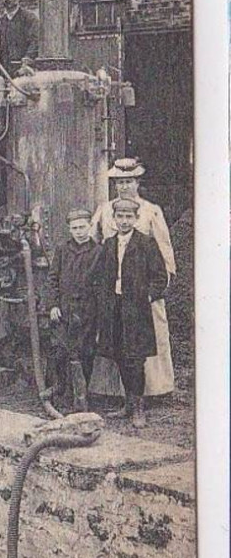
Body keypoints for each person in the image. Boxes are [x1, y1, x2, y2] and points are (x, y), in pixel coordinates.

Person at [91, 157, 175, 396]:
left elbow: (164, 250)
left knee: (145, 339)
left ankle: (151, 391)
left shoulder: (150, 212)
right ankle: (115, 393)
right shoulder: (105, 211)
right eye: (119, 182)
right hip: (115, 290)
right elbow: (95, 247)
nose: (124, 187)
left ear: (137, 182)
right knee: (115, 338)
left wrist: (156, 291)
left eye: (128, 181)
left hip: (142, 291)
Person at [89, 198, 168, 428]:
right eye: (120, 217)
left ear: (135, 219)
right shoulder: (109, 244)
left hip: (136, 310)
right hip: (113, 309)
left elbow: (160, 277)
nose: (124, 221)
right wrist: (102, 297)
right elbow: (98, 275)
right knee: (119, 355)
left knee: (135, 358)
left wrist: (148, 296)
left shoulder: (146, 243)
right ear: (114, 220)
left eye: (128, 217)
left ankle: (139, 408)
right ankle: (127, 404)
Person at [46, 208, 102, 412]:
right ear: (69, 230)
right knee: (61, 351)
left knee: (85, 353)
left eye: (82, 227)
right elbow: (52, 279)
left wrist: (97, 313)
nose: (79, 232)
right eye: (75, 228)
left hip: (87, 311)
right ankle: (60, 389)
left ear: (90, 227)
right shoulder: (62, 249)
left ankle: (80, 397)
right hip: (64, 310)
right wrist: (53, 304)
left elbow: (102, 285)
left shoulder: (98, 252)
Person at [0, 0, 39, 77]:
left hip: (26, 75)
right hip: (5, 74)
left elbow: (35, 42)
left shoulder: (29, 18)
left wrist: (27, 62)